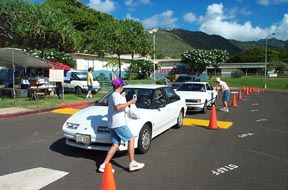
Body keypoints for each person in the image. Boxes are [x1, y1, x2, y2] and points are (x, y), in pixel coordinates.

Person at [98, 78, 145, 173]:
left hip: (112, 124)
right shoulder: (115, 95)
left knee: (115, 145)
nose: (123, 87)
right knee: (131, 139)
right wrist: (130, 102)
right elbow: (118, 107)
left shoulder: (115, 95)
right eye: (122, 85)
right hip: (119, 123)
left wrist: (122, 97)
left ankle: (104, 165)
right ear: (119, 86)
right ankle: (132, 163)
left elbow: (117, 105)